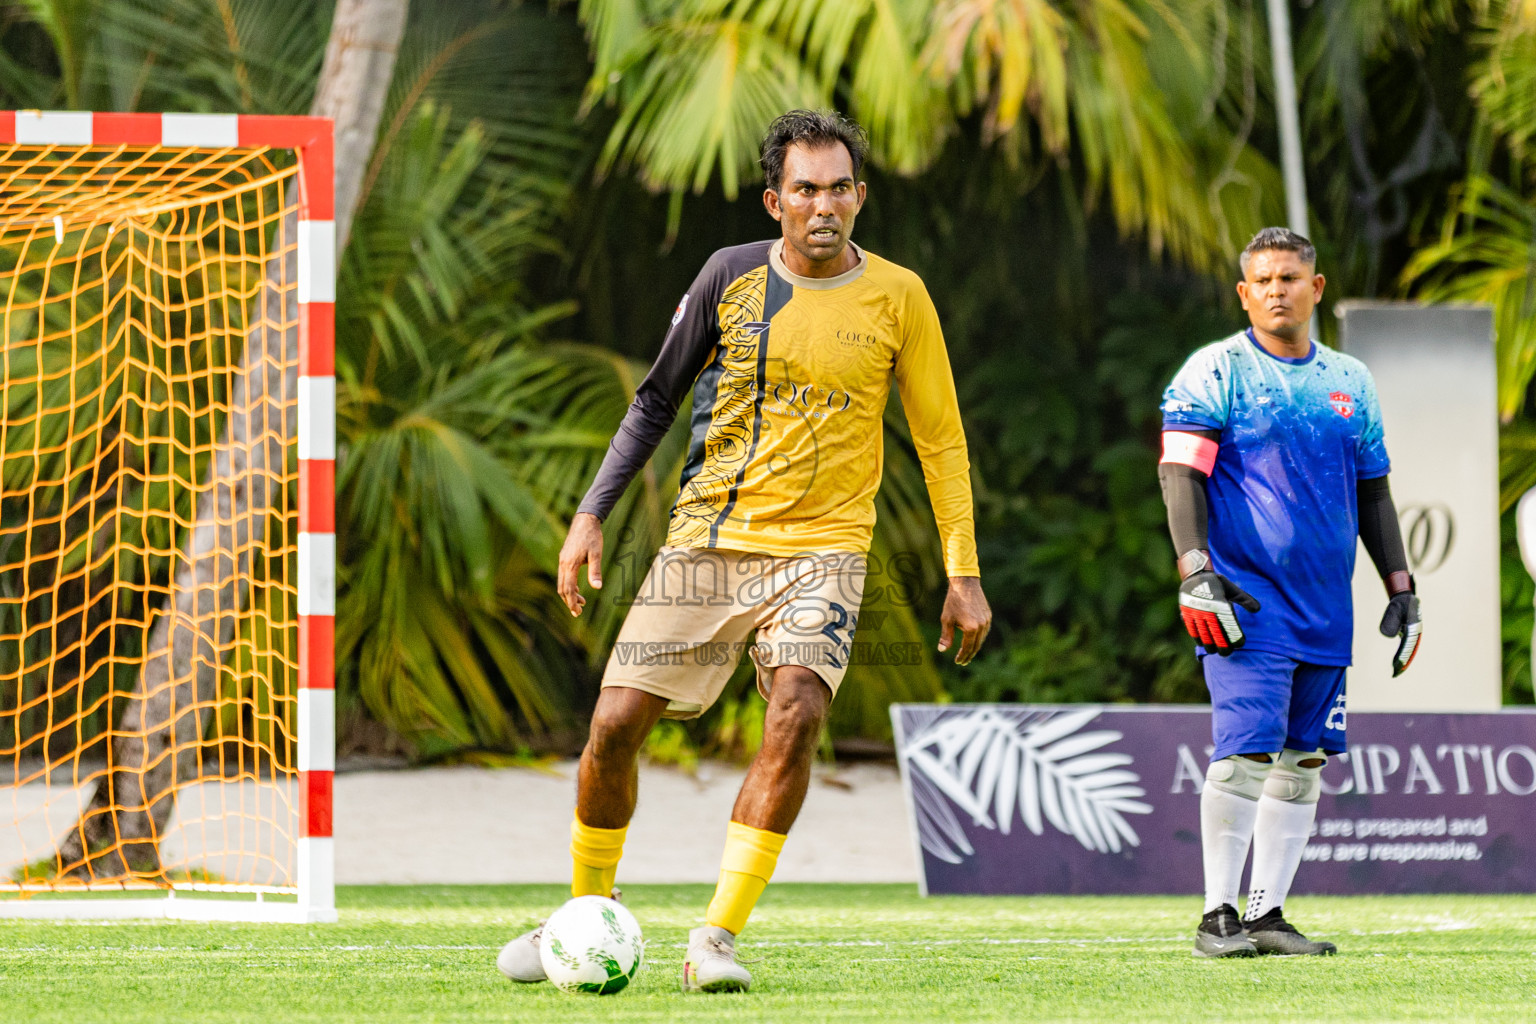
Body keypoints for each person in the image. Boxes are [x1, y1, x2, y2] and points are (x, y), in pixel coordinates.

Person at [497, 109, 991, 993]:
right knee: (612, 727)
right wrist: (591, 514)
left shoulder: (901, 296)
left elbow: (941, 441)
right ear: (776, 201)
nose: (824, 203)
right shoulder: (729, 276)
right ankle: (580, 916)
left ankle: (716, 938)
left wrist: (963, 572)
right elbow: (653, 401)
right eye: (805, 188)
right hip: (708, 540)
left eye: (840, 186)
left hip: (826, 552)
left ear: (861, 197)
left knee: (797, 708)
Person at [1158, 227, 1421, 958]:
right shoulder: (1216, 371)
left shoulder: (1351, 382)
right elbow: (1180, 474)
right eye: (1263, 280)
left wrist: (1400, 587)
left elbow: (1373, 493)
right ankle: (1217, 916)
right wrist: (1195, 568)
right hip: (1246, 604)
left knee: (1303, 763)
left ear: (1316, 287)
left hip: (1326, 611)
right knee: (1244, 755)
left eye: (1290, 278)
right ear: (1244, 293)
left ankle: (1269, 915)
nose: (1277, 289)